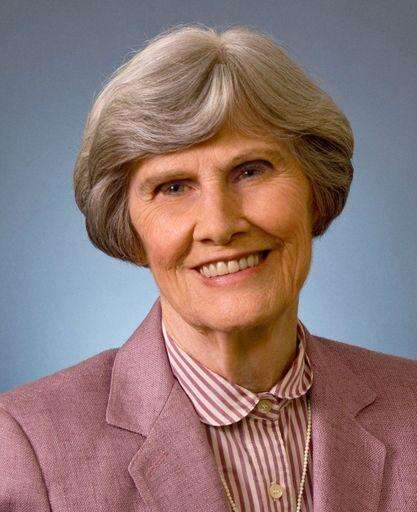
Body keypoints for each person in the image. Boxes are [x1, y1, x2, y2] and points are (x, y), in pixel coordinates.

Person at [0, 24, 416, 512]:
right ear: (129, 226)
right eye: (173, 187)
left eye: (251, 170)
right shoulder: (26, 449)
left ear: (315, 191)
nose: (219, 226)